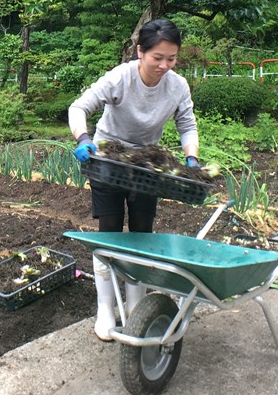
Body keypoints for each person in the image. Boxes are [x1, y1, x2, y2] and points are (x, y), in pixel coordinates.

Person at [68, 19, 200, 340]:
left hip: (146, 165)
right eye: (158, 58)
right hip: (109, 162)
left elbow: (187, 124)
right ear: (140, 52)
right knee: (110, 235)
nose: (164, 66)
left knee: (142, 234)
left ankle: (135, 306)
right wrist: (84, 139)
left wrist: (191, 158)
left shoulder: (177, 85)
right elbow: (78, 107)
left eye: (172, 58)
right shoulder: (121, 78)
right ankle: (105, 311)